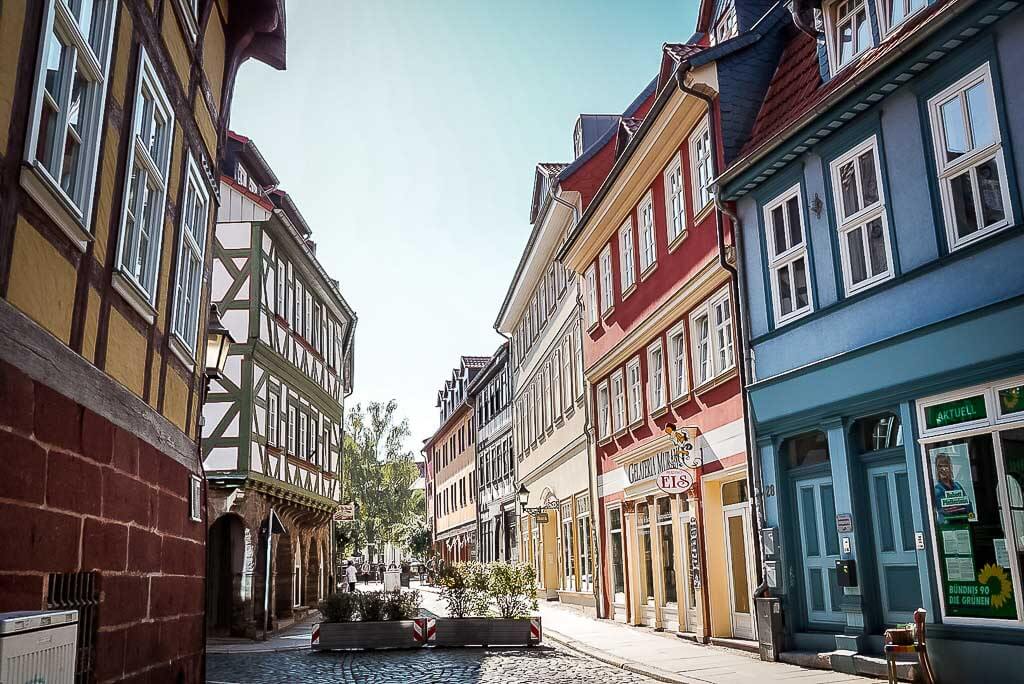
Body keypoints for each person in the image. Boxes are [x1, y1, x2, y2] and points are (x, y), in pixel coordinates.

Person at [934, 452, 974, 524]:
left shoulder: (957, 486)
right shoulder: (937, 490)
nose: (943, 469)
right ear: (937, 469)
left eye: (946, 466)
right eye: (940, 466)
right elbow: (946, 511)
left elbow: (969, 506)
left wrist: (959, 507)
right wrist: (960, 506)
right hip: (948, 528)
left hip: (964, 525)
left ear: (950, 467)